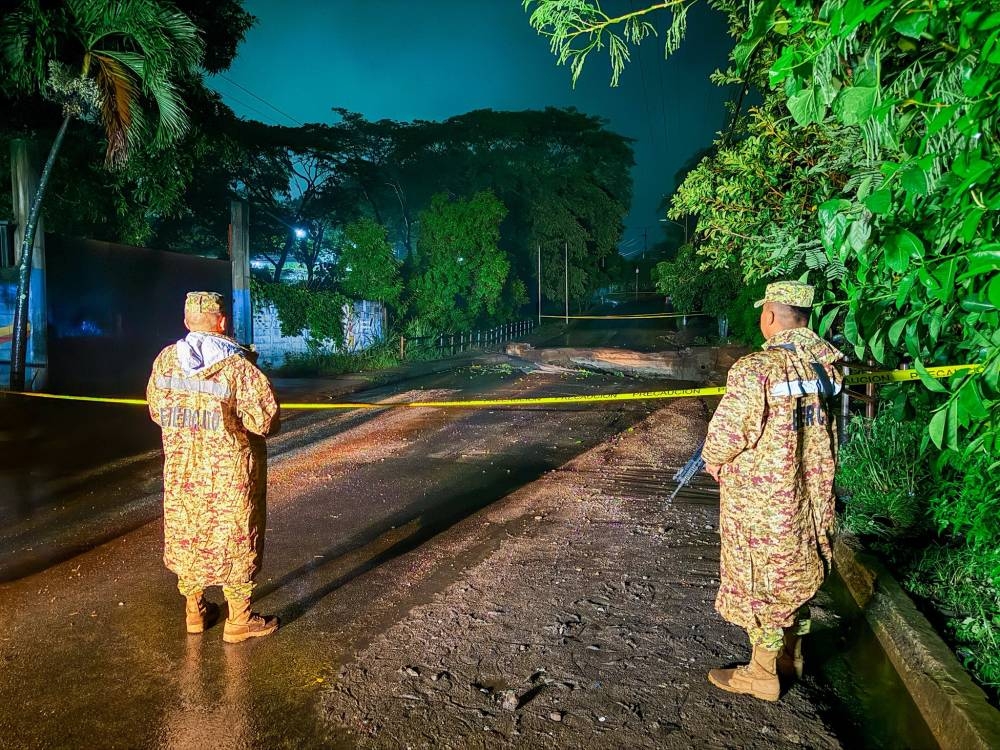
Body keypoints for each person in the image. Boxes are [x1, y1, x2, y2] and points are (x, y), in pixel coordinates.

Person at [701, 280, 843, 701]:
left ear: (769, 316)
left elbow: (726, 436)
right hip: (809, 494)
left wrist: (714, 461)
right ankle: (791, 657)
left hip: (764, 501)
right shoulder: (823, 368)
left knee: (762, 578)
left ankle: (761, 673)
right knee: (798, 568)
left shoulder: (756, 369)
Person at [147, 291, 281, 643]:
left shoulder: (165, 361)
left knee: (188, 534)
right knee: (236, 536)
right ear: (221, 322)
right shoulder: (237, 368)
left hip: (182, 472)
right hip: (229, 475)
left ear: (187, 320)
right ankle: (239, 620)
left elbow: (157, 412)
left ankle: (195, 610)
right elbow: (265, 421)